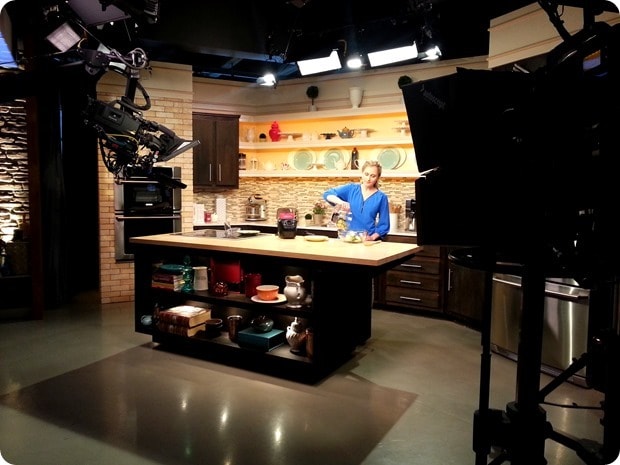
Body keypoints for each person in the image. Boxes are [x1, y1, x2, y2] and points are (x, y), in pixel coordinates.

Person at [323, 160, 390, 241]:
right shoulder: (351, 189)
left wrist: (372, 237)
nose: (368, 179)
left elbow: (384, 225)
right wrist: (341, 202)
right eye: (366, 174)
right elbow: (327, 194)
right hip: (346, 239)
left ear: (378, 178)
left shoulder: (381, 197)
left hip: (366, 241)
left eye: (373, 176)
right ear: (362, 174)